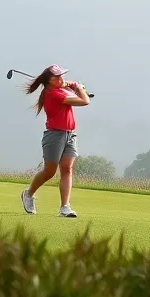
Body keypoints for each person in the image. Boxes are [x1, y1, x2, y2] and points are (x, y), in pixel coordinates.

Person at [20, 64, 90, 218]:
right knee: (49, 172)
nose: (61, 79)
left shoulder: (57, 90)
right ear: (50, 80)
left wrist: (72, 85)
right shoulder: (54, 95)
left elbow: (67, 85)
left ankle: (65, 207)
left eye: (62, 76)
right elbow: (85, 101)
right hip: (54, 136)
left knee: (67, 169)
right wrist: (80, 88)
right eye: (57, 77)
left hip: (70, 134)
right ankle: (28, 194)